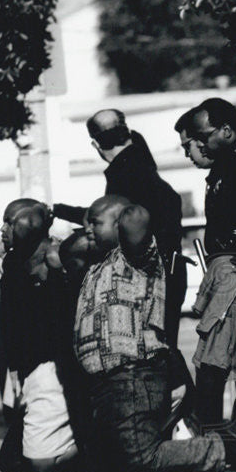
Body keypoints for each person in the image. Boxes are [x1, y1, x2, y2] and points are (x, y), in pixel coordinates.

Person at [73, 194, 225, 472]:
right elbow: (70, 249)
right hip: (106, 382)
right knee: (102, 464)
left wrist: (124, 208)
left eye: (94, 222)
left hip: (134, 373)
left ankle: (222, 448)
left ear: (119, 224)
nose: (87, 229)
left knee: (140, 459)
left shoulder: (137, 258)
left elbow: (137, 216)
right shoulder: (96, 265)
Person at [53, 109, 192, 389]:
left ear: (96, 144)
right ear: (126, 131)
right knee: (164, 346)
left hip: (151, 277)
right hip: (172, 267)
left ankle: (185, 412)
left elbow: (108, 221)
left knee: (157, 349)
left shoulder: (124, 173)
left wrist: (58, 212)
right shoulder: (142, 161)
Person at [177, 99, 236, 471]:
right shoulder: (224, 169)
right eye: (186, 146)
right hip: (227, 273)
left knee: (220, 362)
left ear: (226, 131)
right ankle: (234, 440)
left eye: (197, 140)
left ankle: (219, 441)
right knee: (230, 362)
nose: (192, 151)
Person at [0, 199, 80, 472]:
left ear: (28, 223)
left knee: (38, 464)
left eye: (9, 221)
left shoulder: (60, 258)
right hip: (28, 369)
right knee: (10, 461)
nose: (3, 228)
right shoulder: (12, 264)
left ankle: (93, 448)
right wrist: (14, 372)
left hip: (55, 368)